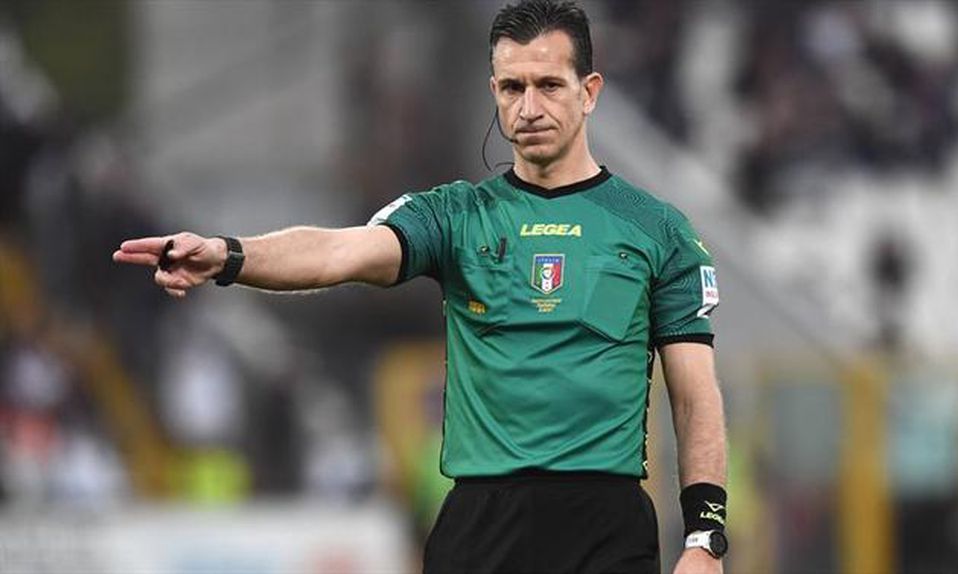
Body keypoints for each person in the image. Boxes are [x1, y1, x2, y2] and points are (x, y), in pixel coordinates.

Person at [113, 1, 728, 572]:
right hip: (481, 527)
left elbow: (694, 396)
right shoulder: (455, 216)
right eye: (512, 87)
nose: (528, 108)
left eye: (548, 85)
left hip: (605, 528)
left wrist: (704, 536)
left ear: (588, 91)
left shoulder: (657, 231)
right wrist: (229, 255)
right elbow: (338, 251)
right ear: (493, 91)